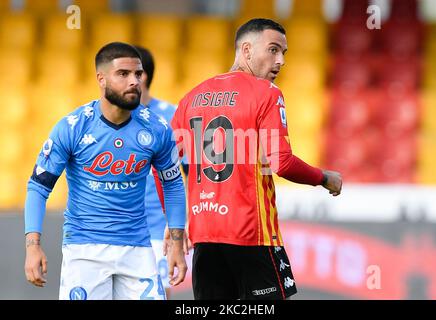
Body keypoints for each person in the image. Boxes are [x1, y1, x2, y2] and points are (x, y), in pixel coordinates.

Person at [171, 18, 342, 300]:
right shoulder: (267, 93)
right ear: (246, 50)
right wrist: (324, 177)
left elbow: (164, 164)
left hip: (204, 237)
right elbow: (282, 162)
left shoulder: (191, 97)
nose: (281, 60)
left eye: (284, 53)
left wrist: (176, 228)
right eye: (274, 50)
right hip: (252, 234)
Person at [23, 42, 187, 300]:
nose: (134, 81)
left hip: (137, 247)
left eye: (138, 74)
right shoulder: (73, 127)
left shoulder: (157, 128)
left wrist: (177, 241)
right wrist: (33, 246)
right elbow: (39, 187)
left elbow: (173, 183)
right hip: (85, 249)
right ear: (101, 78)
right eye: (123, 74)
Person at [134, 45, 188, 299]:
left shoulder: (172, 117)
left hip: (157, 231)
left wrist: (181, 224)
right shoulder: (104, 117)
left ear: (140, 76)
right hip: (115, 230)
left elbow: (192, 171)